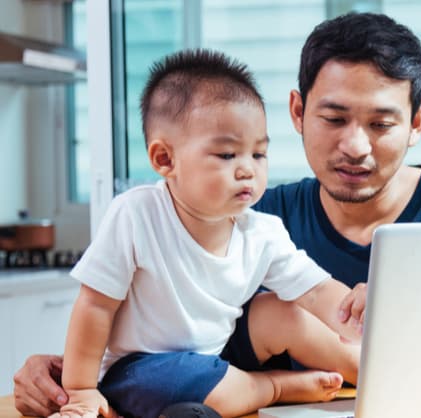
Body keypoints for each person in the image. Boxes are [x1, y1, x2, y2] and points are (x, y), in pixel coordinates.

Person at [14, 12, 421, 416]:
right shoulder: (241, 212)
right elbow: (119, 322)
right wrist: (64, 377)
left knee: (290, 310)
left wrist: (377, 311)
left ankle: (378, 369)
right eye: (334, 117)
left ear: (416, 124)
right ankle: (290, 384)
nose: (356, 145)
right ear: (298, 112)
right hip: (206, 387)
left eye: (382, 122)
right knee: (276, 313)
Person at [45, 49, 366, 418]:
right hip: (144, 370)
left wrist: (357, 314)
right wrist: (82, 389)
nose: (248, 170)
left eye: (258, 155)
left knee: (284, 311)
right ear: (165, 160)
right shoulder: (136, 215)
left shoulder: (262, 231)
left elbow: (316, 291)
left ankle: (374, 366)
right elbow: (94, 306)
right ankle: (274, 387)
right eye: (228, 155)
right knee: (189, 386)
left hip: (218, 355)